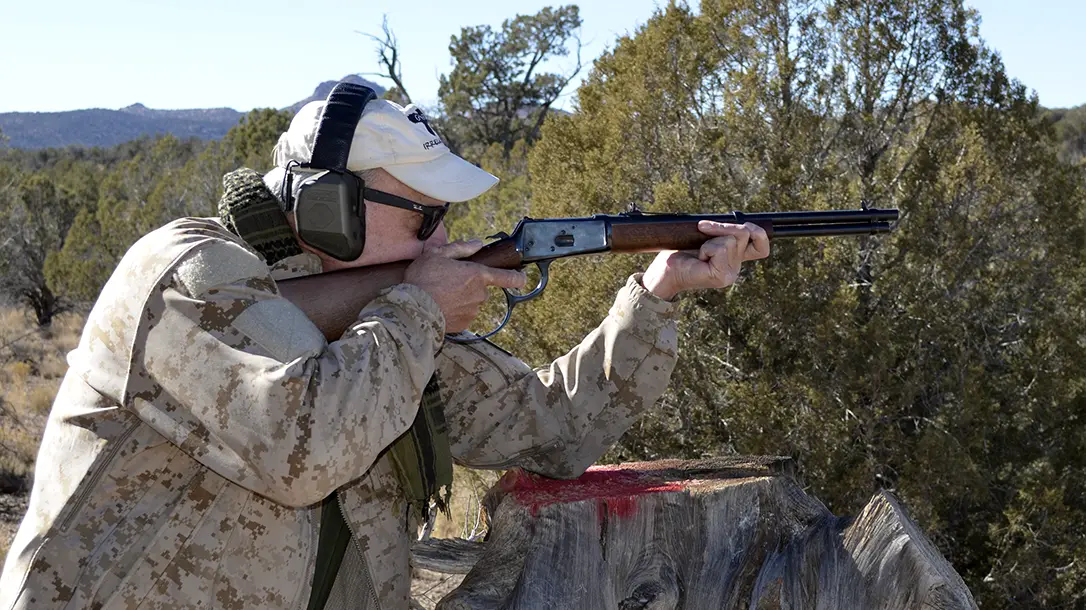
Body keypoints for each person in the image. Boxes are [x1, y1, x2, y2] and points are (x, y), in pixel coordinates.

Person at [0, 84, 769, 610]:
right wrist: (417, 309)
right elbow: (306, 448)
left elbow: (553, 429)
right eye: (423, 218)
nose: (442, 238)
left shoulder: (393, 324)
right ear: (331, 207)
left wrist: (659, 293)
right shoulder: (188, 274)